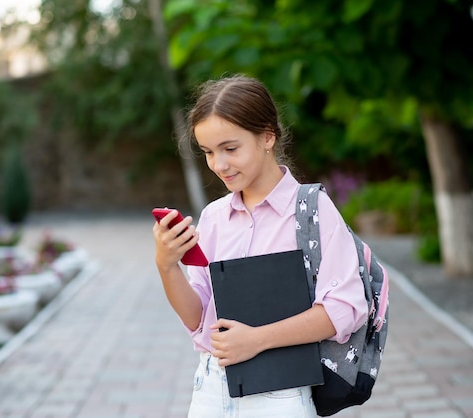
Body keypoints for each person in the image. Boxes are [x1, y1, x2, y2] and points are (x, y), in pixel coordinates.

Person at [152, 75, 368, 417]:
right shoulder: (213, 217)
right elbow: (198, 319)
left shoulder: (312, 210)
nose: (219, 165)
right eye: (208, 152)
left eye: (230, 148)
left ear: (267, 136)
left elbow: (344, 309)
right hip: (211, 388)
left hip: (280, 395)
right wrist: (166, 265)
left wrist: (257, 339)